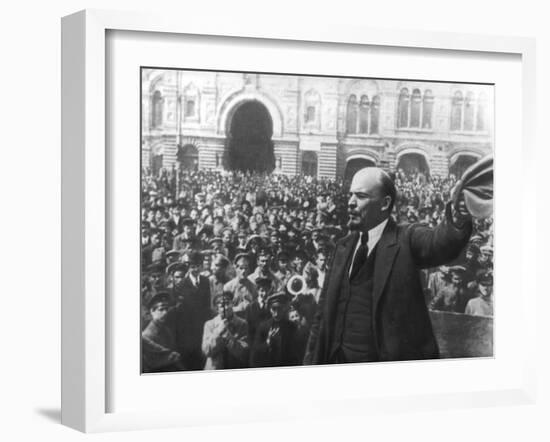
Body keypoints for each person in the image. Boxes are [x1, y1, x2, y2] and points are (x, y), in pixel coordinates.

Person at [304, 167, 472, 365]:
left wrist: (458, 214)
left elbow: (440, 243)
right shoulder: (343, 247)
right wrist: (310, 363)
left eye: (360, 196)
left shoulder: (406, 239)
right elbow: (322, 314)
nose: (350, 202)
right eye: (351, 195)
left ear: (384, 204)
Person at [250, 292, 301, 367]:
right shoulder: (263, 327)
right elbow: (254, 355)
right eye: (274, 309)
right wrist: (268, 342)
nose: (276, 313)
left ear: (284, 308)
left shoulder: (292, 327)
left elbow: (296, 354)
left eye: (279, 308)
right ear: (270, 309)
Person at [201, 291, 249, 370]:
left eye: (228, 303)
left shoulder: (242, 324)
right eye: (222, 305)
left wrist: (229, 337)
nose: (226, 307)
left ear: (232, 304)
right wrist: (218, 332)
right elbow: (207, 351)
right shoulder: (209, 325)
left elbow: (244, 352)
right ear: (217, 309)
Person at [142, 292, 184, 372]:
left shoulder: (166, 330)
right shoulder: (147, 335)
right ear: (152, 311)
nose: (165, 312)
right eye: (161, 310)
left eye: (166, 309)